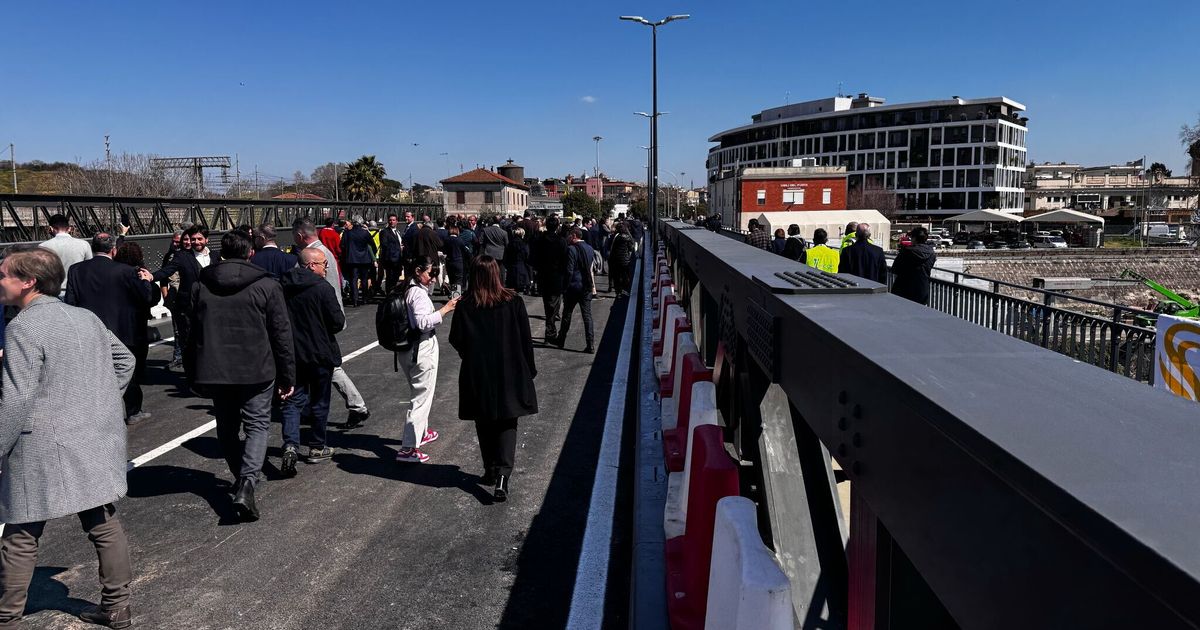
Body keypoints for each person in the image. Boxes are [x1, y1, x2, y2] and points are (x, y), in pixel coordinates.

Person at [0, 246, 136, 629]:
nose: (0, 281)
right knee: (102, 521)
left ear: (28, 281)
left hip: (40, 445)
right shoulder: (85, 316)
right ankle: (117, 607)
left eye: (4, 274)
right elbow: (125, 360)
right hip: (92, 435)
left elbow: (16, 399)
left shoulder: (23, 327)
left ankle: (7, 618)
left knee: (21, 530)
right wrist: (98, 401)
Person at [190, 231, 295, 522]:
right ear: (251, 253)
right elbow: (281, 334)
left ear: (221, 253)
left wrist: (193, 371)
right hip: (257, 367)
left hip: (216, 368)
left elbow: (191, 331)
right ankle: (248, 482)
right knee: (257, 425)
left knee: (226, 428)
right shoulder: (267, 285)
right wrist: (288, 375)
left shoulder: (202, 285)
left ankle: (241, 478)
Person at [449, 256, 537, 502]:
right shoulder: (513, 302)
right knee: (508, 423)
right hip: (510, 370)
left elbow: (456, 338)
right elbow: (525, 339)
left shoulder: (466, 305)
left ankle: (490, 468)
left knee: (483, 421)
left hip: (478, 371)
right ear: (497, 274)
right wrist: (529, 370)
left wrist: (471, 355)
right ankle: (503, 475)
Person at [66, 234, 160, 424]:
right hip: (123, 329)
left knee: (94, 374)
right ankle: (133, 411)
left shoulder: (76, 270)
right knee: (127, 372)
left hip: (90, 330)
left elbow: (70, 301)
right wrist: (146, 281)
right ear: (113, 250)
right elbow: (146, 297)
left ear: (92, 248)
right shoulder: (125, 271)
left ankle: (95, 412)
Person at [292, 218, 371, 428]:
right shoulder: (324, 253)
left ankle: (356, 406)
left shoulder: (313, 256)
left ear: (299, 235)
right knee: (323, 365)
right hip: (325, 317)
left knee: (328, 365)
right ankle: (346, 406)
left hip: (317, 319)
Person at [278, 248, 345, 476]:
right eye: (323, 264)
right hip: (320, 353)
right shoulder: (322, 288)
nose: (326, 268)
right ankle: (316, 446)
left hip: (293, 354)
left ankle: (290, 444)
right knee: (319, 401)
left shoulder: (283, 286)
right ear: (311, 265)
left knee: (292, 401)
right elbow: (337, 322)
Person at [396, 255, 459, 463]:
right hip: (421, 349)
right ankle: (408, 448)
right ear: (418, 271)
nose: (433, 278)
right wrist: (446, 309)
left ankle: (421, 433)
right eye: (431, 273)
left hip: (406, 350)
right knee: (421, 399)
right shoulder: (419, 294)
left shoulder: (405, 288)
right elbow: (423, 323)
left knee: (419, 393)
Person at [153, 226, 210, 379]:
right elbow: (165, 272)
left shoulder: (214, 256)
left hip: (209, 305)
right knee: (187, 338)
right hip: (186, 304)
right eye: (192, 239)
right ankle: (191, 371)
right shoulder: (180, 256)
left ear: (206, 240)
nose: (194, 242)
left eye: (198, 239)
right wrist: (151, 277)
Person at [556, 227, 597, 353]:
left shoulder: (571, 249)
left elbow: (569, 270)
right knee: (587, 316)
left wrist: (565, 286)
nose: (568, 237)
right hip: (586, 285)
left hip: (573, 286)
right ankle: (590, 343)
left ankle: (561, 339)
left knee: (567, 314)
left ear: (574, 235)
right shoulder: (589, 248)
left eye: (569, 235)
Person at [531, 216, 568, 344]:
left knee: (548, 305)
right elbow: (565, 260)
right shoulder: (561, 241)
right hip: (556, 277)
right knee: (553, 305)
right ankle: (550, 331)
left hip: (543, 276)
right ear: (557, 226)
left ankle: (550, 330)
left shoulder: (539, 240)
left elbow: (534, 258)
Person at [38, 213, 92, 291]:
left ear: (51, 228)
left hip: (55, 290)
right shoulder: (84, 244)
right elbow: (89, 268)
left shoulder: (43, 246)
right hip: (77, 289)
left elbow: (42, 272)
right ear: (69, 229)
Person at [890, 226, 937, 305]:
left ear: (914, 238)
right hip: (922, 289)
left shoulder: (906, 251)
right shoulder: (931, 253)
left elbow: (895, 269)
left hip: (903, 289)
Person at [340, 216, 377, 307]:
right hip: (364, 259)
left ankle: (355, 299)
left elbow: (342, 245)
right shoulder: (365, 233)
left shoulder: (347, 233)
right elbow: (372, 245)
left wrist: (348, 252)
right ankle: (364, 298)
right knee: (364, 279)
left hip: (352, 259)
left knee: (353, 279)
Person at [608, 222, 636, 298]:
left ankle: (618, 292)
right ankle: (625, 289)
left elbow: (610, 246)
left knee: (616, 276)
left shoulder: (614, 237)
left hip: (615, 259)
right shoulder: (628, 237)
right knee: (625, 275)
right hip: (625, 259)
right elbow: (631, 248)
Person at [378, 213, 404, 294]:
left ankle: (392, 294)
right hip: (390, 260)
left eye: (393, 220)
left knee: (396, 278)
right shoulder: (384, 232)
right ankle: (389, 295)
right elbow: (384, 245)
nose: (392, 222)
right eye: (390, 220)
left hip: (398, 260)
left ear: (397, 221)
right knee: (390, 279)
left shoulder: (398, 232)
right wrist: (398, 248)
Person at [503, 227, 532, 293]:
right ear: (522, 235)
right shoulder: (524, 245)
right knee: (520, 291)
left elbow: (505, 258)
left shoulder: (510, 245)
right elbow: (527, 258)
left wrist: (508, 266)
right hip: (522, 269)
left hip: (511, 269)